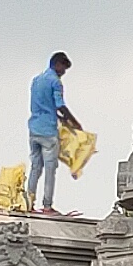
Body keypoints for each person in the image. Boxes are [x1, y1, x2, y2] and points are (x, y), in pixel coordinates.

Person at [24, 54, 80, 214]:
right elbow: (60, 105)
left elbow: (44, 105)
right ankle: (47, 205)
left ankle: (28, 203)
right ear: (57, 64)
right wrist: (74, 122)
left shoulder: (36, 80)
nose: (63, 72)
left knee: (35, 167)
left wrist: (61, 119)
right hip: (48, 131)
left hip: (34, 128)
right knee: (50, 169)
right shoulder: (55, 82)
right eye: (63, 68)